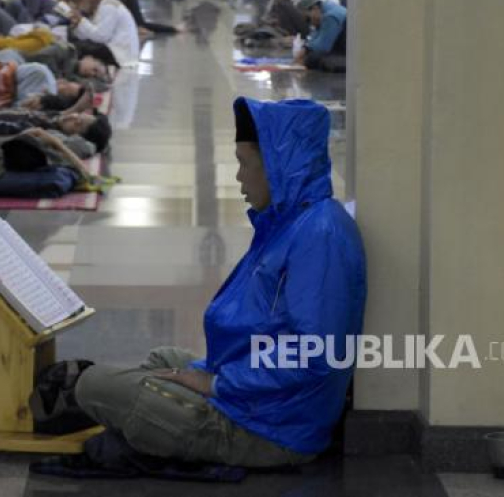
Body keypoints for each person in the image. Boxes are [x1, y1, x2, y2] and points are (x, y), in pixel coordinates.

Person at [75, 97, 366, 467]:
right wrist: (210, 376)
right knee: (165, 358)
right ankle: (149, 424)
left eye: (245, 164)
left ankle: (154, 425)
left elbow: (315, 353)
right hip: (260, 401)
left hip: (271, 429)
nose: (239, 177)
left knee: (92, 384)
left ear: (278, 166)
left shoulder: (320, 236)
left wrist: (216, 385)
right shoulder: (292, 223)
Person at [67, 0, 140, 67]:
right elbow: (91, 33)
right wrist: (77, 25)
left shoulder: (109, 6)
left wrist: (81, 20)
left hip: (120, 54)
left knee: (75, 49)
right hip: (117, 50)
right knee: (75, 43)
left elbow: (101, 36)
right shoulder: (103, 4)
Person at [294, 0, 346, 72]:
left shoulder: (331, 17)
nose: (310, 23)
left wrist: (305, 51)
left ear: (315, 9)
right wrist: (305, 48)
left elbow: (323, 47)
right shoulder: (326, 11)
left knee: (313, 58)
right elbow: (316, 37)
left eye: (308, 19)